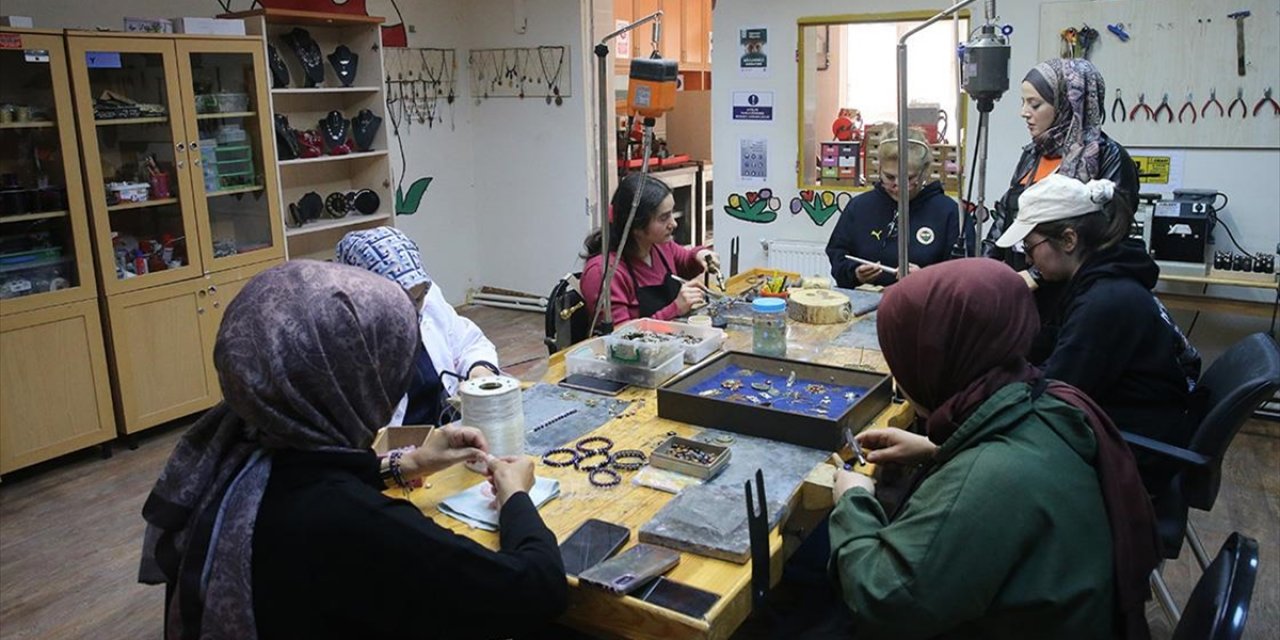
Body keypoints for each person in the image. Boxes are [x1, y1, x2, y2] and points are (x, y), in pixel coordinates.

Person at [138, 261, 567, 639]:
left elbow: (306, 474)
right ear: (348, 380)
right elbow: (533, 590)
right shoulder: (345, 522)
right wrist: (515, 498)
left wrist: (403, 463)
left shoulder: (230, 453)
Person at [828, 258, 1158, 640]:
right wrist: (940, 450)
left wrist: (853, 501)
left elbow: (884, 602)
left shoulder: (992, 477)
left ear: (935, 359)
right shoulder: (1043, 398)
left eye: (899, 355)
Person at [995, 174, 1201, 493]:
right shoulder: (1099, 282)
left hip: (1136, 453)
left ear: (1068, 240)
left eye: (1030, 244)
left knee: (994, 468)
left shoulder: (1105, 302)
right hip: (1132, 424)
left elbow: (1056, 393)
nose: (1026, 257)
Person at [336, 226, 500, 426]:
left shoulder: (428, 297)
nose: (413, 311)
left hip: (447, 425)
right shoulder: (343, 340)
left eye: (418, 298)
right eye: (402, 302)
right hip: (399, 447)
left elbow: (468, 341)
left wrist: (479, 369)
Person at [985, 57, 1138, 271]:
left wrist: (1035, 277)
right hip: (1019, 280)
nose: (1024, 112)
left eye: (1035, 104)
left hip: (1069, 286)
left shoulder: (1109, 157)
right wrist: (985, 265)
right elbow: (1006, 214)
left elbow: (1108, 233)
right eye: (1023, 102)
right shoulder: (1033, 154)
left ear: (1067, 103)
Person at [826, 128, 972, 288]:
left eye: (908, 178)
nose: (898, 186)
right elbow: (838, 255)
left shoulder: (950, 214)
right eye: (889, 177)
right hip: (866, 306)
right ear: (879, 168)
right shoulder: (859, 207)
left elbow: (965, 275)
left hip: (926, 308)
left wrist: (927, 279)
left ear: (924, 172)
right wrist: (855, 273)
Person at [580, 173, 720, 327]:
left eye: (672, 213)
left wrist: (700, 255)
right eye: (663, 218)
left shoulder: (659, 246)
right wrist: (674, 309)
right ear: (636, 227)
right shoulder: (604, 272)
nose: (673, 223)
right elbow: (619, 338)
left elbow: (685, 260)